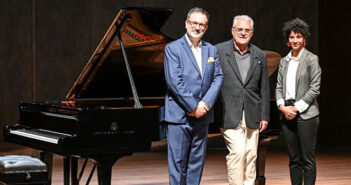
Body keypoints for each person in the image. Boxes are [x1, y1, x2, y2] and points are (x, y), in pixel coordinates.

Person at [163, 7, 223, 185]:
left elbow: (218, 77)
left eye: (202, 24)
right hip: (180, 116)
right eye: (194, 23)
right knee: (178, 164)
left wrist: (205, 104)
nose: (197, 27)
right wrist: (193, 106)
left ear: (206, 27)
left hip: (202, 115)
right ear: (186, 24)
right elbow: (174, 82)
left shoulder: (211, 50)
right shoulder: (173, 49)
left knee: (196, 163)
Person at [215, 15, 270, 185]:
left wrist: (265, 115)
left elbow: (264, 87)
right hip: (229, 111)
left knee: (251, 155)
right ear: (233, 31)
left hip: (253, 113)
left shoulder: (259, 54)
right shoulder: (218, 51)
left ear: (252, 33)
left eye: (247, 30)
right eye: (239, 29)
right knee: (238, 153)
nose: (243, 33)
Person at [275, 18, 321, 185]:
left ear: (304, 39)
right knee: (294, 159)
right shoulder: (283, 61)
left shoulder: (311, 59)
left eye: (298, 37)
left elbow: (314, 89)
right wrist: (282, 107)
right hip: (287, 114)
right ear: (288, 40)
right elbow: (279, 87)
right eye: (292, 37)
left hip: (306, 115)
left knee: (307, 159)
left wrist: (295, 108)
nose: (295, 40)